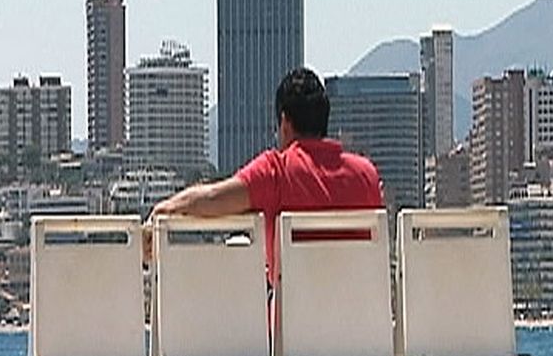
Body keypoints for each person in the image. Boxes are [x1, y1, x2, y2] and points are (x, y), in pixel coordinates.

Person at [147, 66, 384, 285]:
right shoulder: (366, 175)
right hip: (361, 316)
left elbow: (212, 199)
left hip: (292, 317)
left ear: (285, 123)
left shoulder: (276, 172)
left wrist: (163, 210)